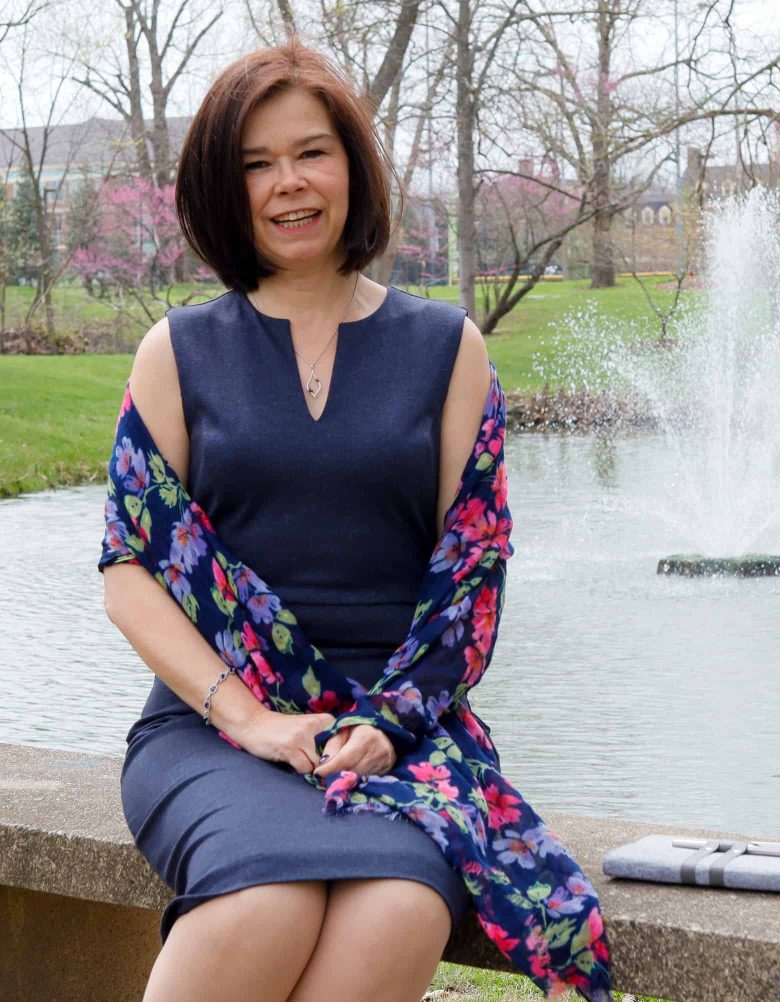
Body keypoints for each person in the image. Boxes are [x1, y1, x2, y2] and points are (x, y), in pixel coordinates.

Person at [101, 38, 494, 1002]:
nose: (288, 185)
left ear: (353, 168)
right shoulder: (177, 351)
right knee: (263, 903)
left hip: (397, 728)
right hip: (211, 727)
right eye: (255, 164)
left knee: (399, 909)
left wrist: (392, 723)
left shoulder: (449, 348)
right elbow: (129, 570)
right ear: (222, 191)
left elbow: (470, 582)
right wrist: (254, 722)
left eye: (311, 153)